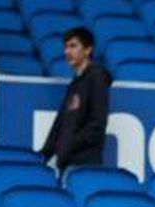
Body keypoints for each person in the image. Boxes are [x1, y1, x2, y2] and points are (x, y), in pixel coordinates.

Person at [39, 27, 112, 171]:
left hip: (84, 164)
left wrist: (66, 146)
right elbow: (60, 123)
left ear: (88, 50)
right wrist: (45, 154)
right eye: (66, 47)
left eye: (73, 46)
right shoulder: (75, 83)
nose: (67, 52)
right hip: (66, 162)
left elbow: (97, 124)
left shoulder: (97, 77)